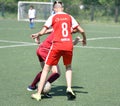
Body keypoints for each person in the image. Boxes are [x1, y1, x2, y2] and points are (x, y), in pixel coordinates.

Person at [31, 1, 86, 101]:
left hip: (56, 46)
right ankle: (69, 88)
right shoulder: (69, 17)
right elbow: (81, 30)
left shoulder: (53, 17)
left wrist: (38, 35)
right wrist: (84, 39)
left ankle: (38, 94)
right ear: (63, 8)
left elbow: (45, 30)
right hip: (67, 46)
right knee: (68, 67)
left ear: (54, 9)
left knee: (46, 70)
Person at [27, 29, 81, 98]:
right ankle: (43, 87)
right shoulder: (64, 33)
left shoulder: (58, 27)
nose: (74, 32)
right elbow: (63, 45)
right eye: (74, 30)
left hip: (40, 49)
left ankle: (32, 86)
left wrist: (38, 34)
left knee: (45, 70)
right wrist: (74, 42)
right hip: (46, 51)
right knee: (56, 73)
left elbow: (47, 31)